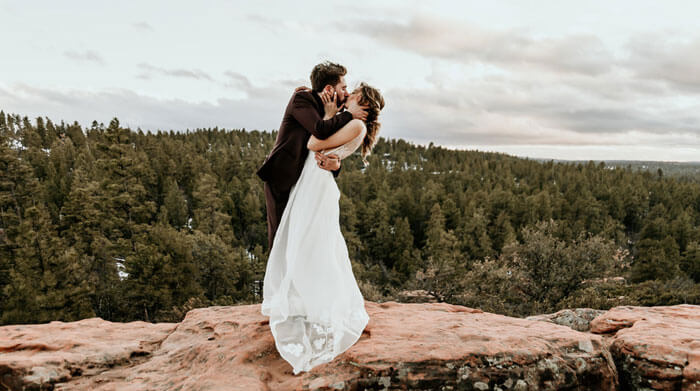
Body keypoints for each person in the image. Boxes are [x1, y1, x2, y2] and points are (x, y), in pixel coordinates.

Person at [260, 81, 385, 375]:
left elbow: (314, 143)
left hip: (316, 185)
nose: (347, 95)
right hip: (311, 181)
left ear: (363, 103)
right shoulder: (353, 124)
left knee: (313, 244)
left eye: (353, 93)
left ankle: (313, 304)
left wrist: (330, 116)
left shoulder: (355, 125)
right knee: (306, 242)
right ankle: (303, 301)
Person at [256, 61, 368, 251]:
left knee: (301, 240)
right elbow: (319, 130)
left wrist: (336, 166)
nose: (347, 93)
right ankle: (278, 280)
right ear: (328, 88)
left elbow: (331, 148)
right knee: (280, 238)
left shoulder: (334, 110)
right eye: (343, 87)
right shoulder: (302, 99)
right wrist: (349, 114)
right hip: (282, 177)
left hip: (305, 181)